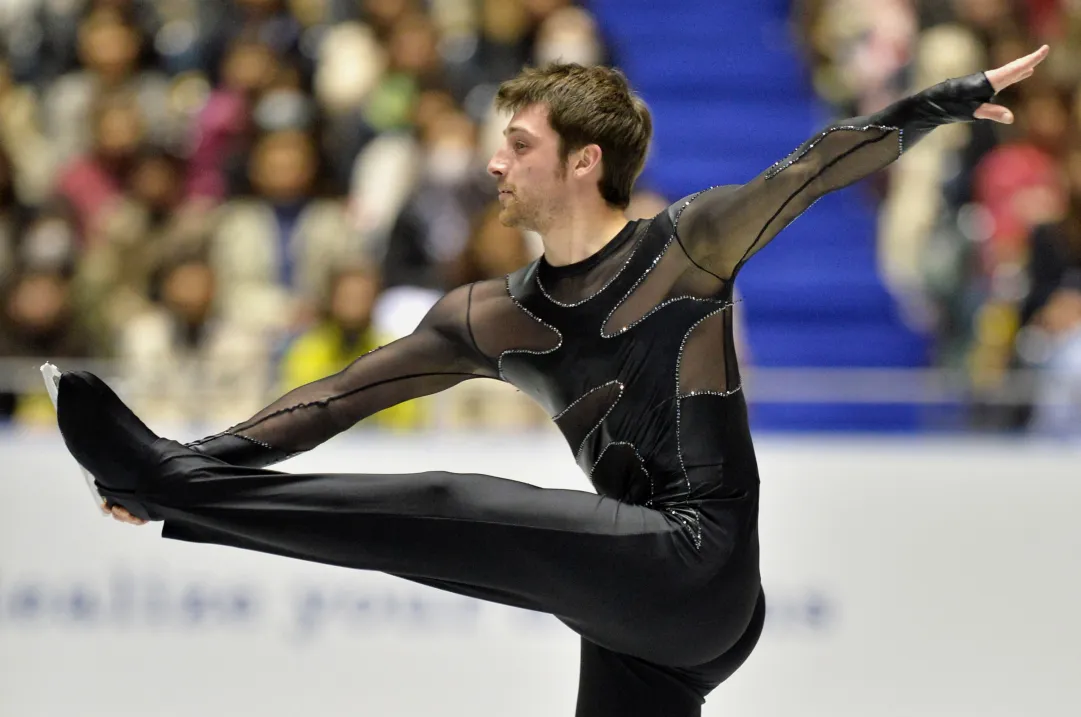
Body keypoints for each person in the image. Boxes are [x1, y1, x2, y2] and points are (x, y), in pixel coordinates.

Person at [53, 46, 1049, 717]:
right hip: (644, 634)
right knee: (432, 534)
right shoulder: (483, 315)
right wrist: (196, 464)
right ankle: (172, 487)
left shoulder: (688, 245)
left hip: (695, 568)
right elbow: (325, 404)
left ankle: (169, 486)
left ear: (583, 162)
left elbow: (815, 169)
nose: (492, 165)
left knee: (449, 504)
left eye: (516, 146)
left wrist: (944, 101)